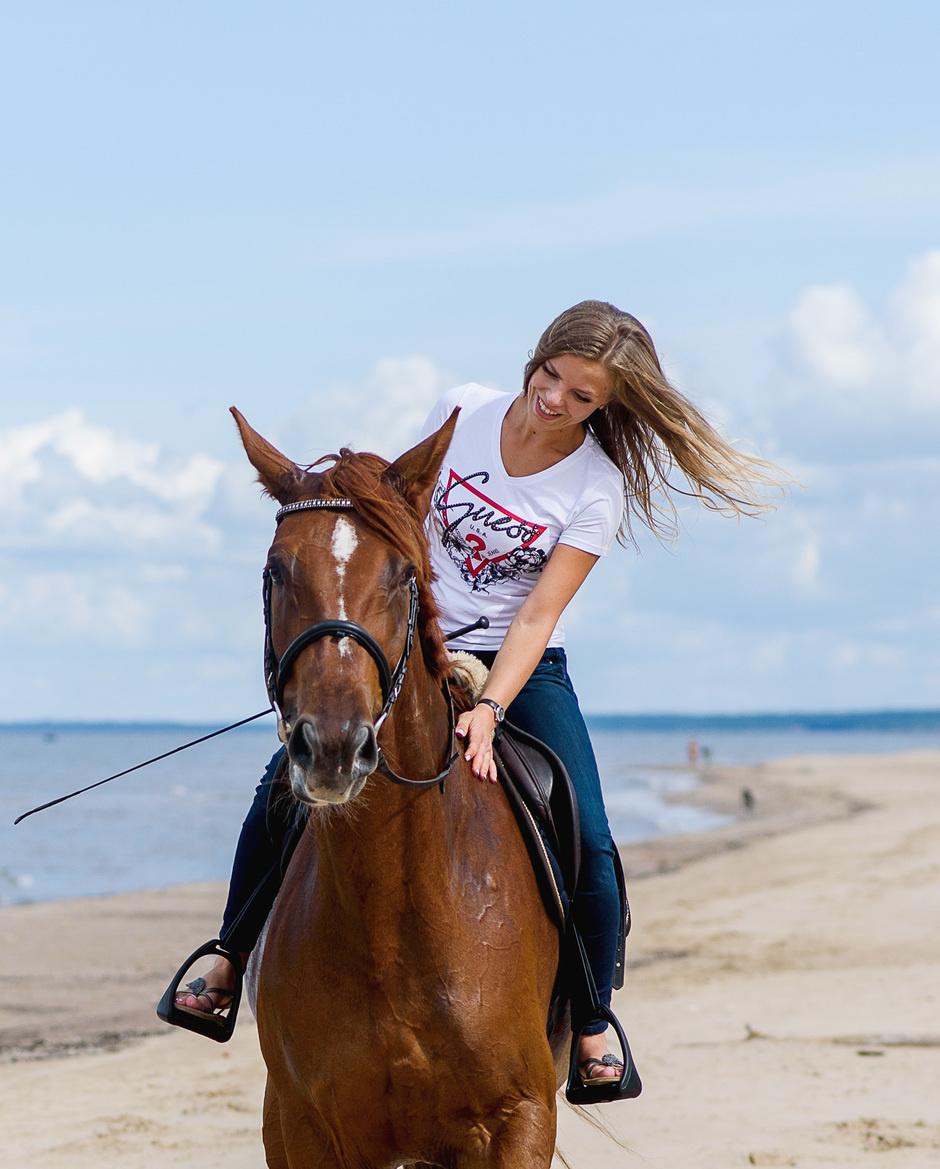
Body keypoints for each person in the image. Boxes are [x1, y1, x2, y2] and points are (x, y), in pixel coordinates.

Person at [167, 301, 783, 1097]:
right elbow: (394, 520)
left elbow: (537, 614)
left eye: (582, 396)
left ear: (604, 407)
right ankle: (229, 954)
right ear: (537, 356)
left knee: (590, 836)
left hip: (516, 662)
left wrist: (489, 707)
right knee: (284, 788)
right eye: (550, 375)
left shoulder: (596, 486)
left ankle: (593, 1019)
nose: (554, 400)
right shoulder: (462, 411)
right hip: (411, 642)